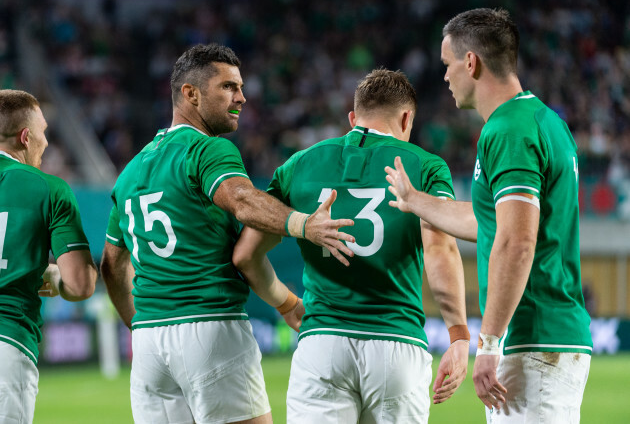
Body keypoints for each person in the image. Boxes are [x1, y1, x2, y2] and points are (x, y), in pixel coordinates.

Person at [100, 43, 355, 424]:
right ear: (191, 94)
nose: (242, 97)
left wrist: (138, 326)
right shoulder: (207, 150)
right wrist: (303, 224)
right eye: (229, 87)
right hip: (210, 327)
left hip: (150, 343)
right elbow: (240, 199)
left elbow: (111, 266)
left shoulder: (130, 172)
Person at [385, 8, 592, 423]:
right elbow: (492, 223)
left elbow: (517, 241)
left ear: (471, 63)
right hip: (550, 335)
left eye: (447, 64)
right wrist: (415, 200)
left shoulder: (508, 130)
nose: (444, 77)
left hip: (532, 338)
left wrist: (490, 344)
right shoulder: (545, 122)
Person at [233, 68, 470, 424]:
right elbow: (441, 249)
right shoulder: (425, 166)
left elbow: (246, 255)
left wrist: (285, 304)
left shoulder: (298, 165)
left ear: (352, 117)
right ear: (406, 119)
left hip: (322, 344)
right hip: (396, 343)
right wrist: (458, 334)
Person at [0, 90, 97, 423]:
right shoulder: (49, 188)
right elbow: (81, 284)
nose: (45, 142)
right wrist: (56, 277)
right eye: (43, 133)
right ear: (25, 137)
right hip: (8, 341)